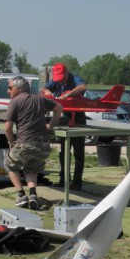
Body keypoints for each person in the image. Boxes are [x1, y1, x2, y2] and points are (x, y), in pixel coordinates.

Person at [4, 76, 63, 210]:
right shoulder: (40, 99)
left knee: (9, 165)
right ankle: (33, 195)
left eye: (10, 88)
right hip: (43, 146)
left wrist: (11, 142)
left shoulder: (15, 102)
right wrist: (50, 126)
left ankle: (20, 195)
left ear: (19, 89)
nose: (8, 91)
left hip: (25, 144)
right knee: (31, 167)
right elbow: (59, 108)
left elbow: (7, 128)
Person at [42, 63, 87, 191]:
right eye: (57, 78)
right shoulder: (55, 82)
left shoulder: (75, 78)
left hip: (78, 118)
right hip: (65, 118)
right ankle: (64, 179)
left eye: (61, 77)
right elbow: (45, 89)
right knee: (64, 152)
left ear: (66, 73)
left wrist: (67, 95)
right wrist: (50, 94)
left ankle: (77, 183)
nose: (60, 80)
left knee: (78, 153)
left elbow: (83, 87)